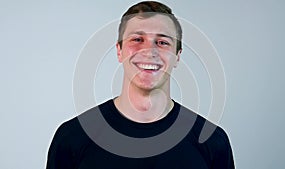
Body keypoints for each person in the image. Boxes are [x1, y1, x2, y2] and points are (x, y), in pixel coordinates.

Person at [46, 1, 235, 168]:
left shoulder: (212, 141)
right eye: (137, 39)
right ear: (119, 51)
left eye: (162, 42)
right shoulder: (72, 138)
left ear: (177, 56)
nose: (149, 51)